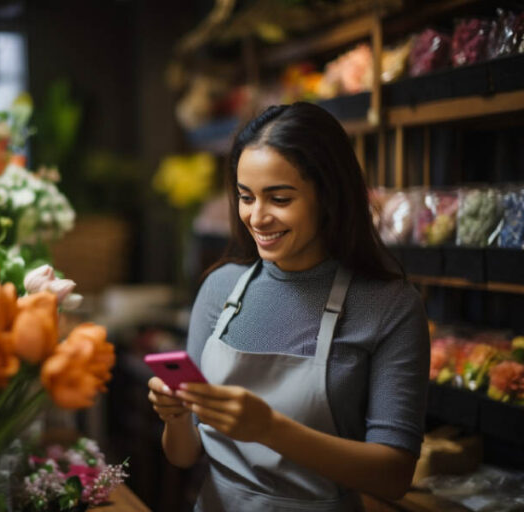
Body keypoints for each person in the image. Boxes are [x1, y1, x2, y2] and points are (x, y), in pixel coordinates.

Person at [147, 102, 430, 511]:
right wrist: (175, 415)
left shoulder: (389, 306)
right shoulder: (220, 288)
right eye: (246, 197)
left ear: (328, 196)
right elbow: (183, 455)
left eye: (278, 198)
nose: (257, 217)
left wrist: (269, 428)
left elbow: (394, 475)